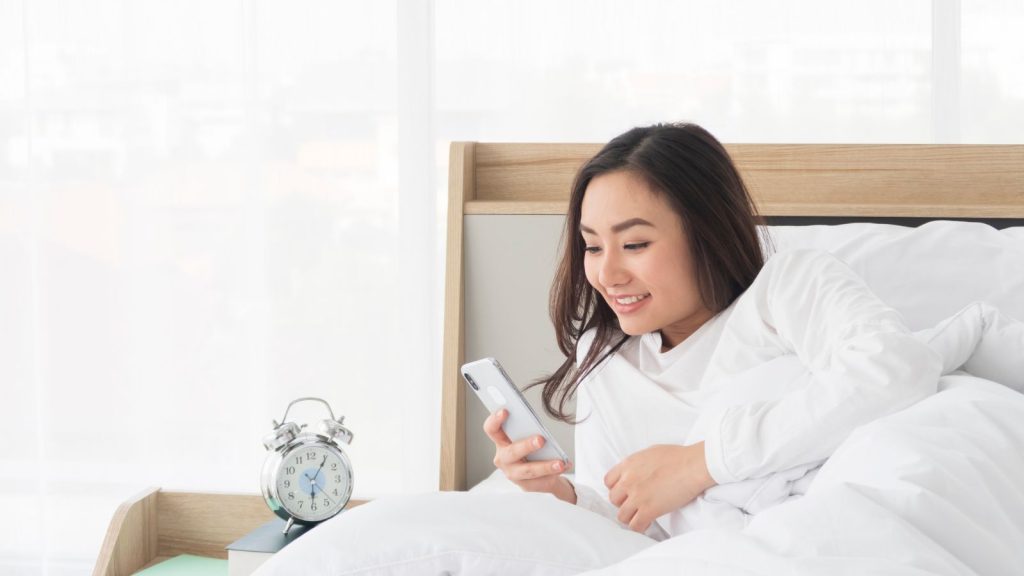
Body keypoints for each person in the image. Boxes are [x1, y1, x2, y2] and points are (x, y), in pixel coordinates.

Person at [481, 122, 1024, 541]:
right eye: (593, 245)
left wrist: (700, 464)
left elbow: (895, 369)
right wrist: (561, 495)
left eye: (636, 244)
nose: (606, 273)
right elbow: (630, 514)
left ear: (707, 233)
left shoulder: (787, 287)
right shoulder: (604, 357)